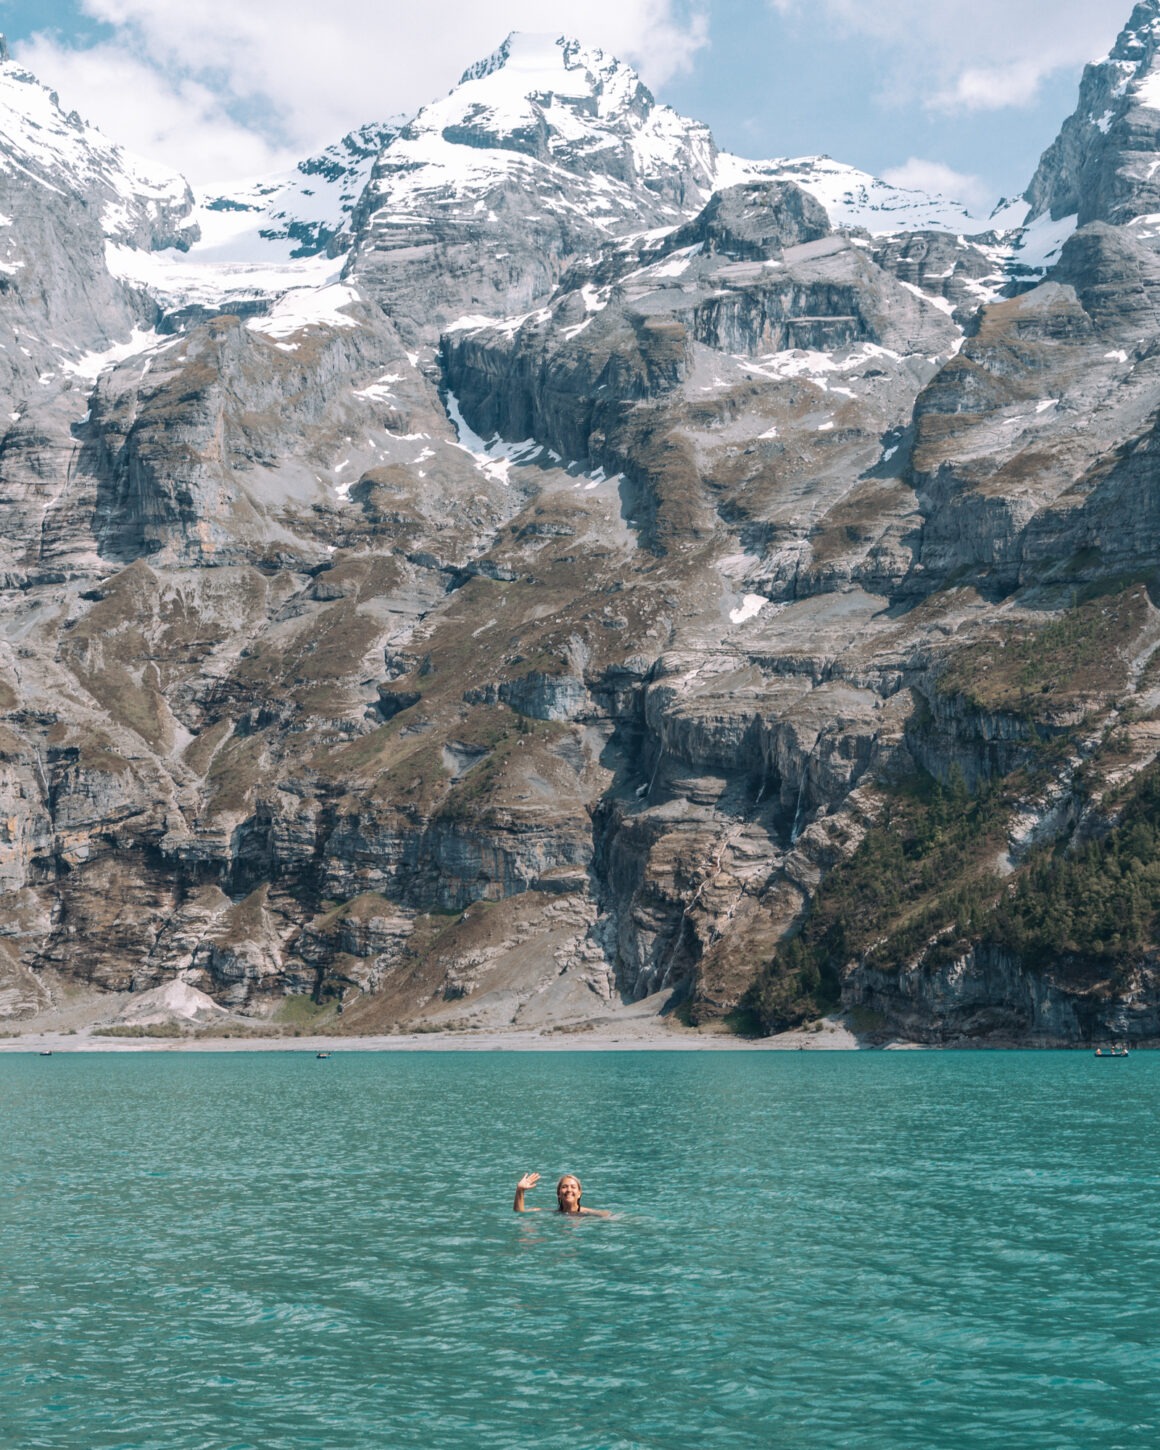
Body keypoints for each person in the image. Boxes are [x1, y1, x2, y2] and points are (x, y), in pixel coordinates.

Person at [513, 1171, 611, 1217]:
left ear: (579, 1193)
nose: (569, 1190)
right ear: (558, 1194)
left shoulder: (589, 1213)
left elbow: (608, 1215)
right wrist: (520, 1191)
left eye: (573, 1187)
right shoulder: (552, 1213)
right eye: (564, 1187)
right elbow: (520, 1213)